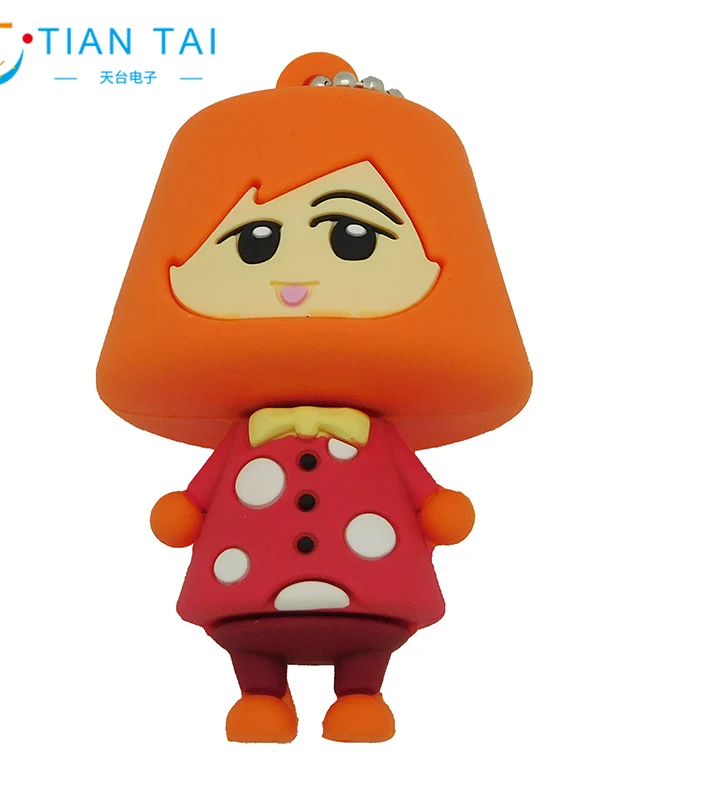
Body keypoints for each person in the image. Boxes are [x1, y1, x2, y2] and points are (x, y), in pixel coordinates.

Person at [97, 51, 532, 742]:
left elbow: (426, 495)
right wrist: (186, 507)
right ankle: (261, 698)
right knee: (250, 641)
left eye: (354, 239)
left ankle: (359, 696)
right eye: (254, 243)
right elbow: (197, 498)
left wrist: (437, 505)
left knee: (368, 641)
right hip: (250, 587)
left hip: (366, 587)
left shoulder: (375, 429)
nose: (295, 281)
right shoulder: (248, 430)